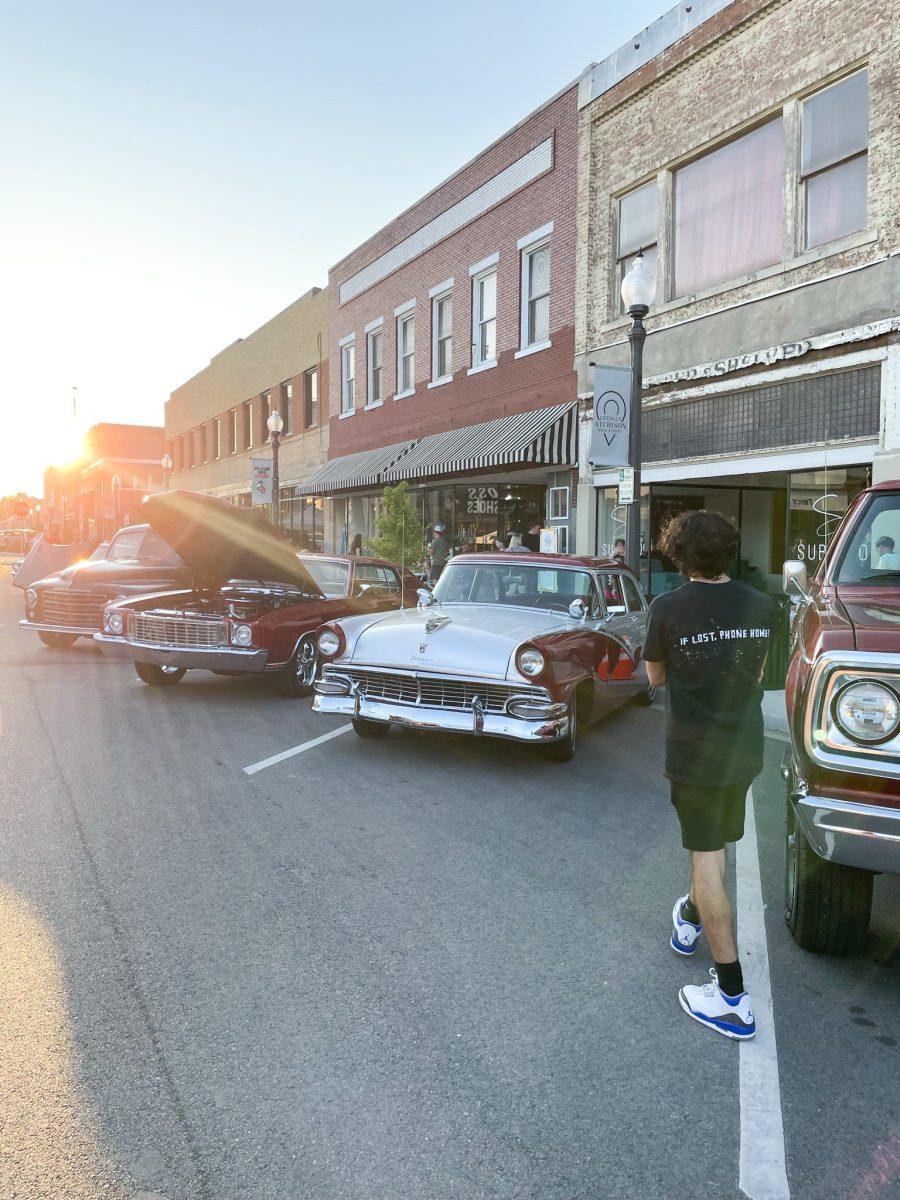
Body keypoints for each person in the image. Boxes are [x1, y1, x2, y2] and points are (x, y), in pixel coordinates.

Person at [642, 510, 774, 1041]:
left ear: (679, 554)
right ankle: (691, 916)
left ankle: (730, 997)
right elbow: (762, 675)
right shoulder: (763, 605)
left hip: (695, 754)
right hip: (743, 749)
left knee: (707, 857)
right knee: (714, 845)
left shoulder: (668, 608)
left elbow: (654, 677)